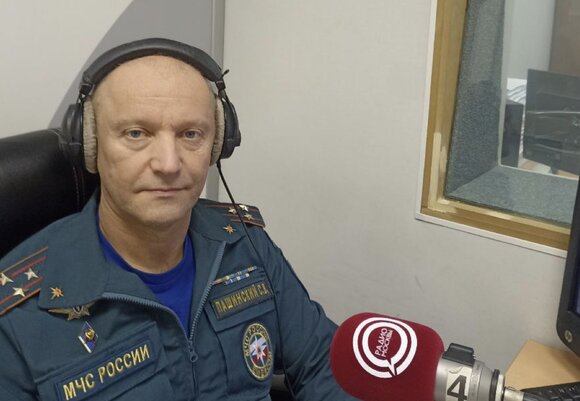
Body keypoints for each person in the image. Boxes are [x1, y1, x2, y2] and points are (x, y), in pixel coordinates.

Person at [0, 39, 355, 401]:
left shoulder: (245, 244)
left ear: (217, 145)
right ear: (89, 145)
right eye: (136, 133)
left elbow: (324, 366)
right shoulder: (17, 315)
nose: (168, 164)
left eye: (190, 134)